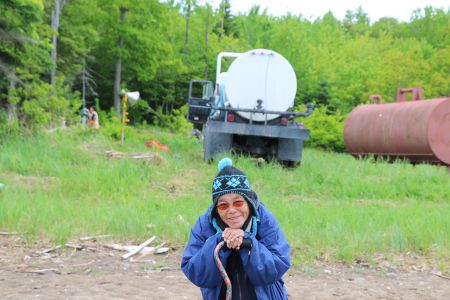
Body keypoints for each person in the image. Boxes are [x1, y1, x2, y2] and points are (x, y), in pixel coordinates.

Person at [181, 158, 291, 299]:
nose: (231, 210)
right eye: (223, 205)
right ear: (216, 208)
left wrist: (248, 242)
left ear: (249, 202)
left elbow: (276, 267)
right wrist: (219, 242)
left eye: (238, 202)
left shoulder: (264, 219)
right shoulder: (205, 224)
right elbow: (196, 272)